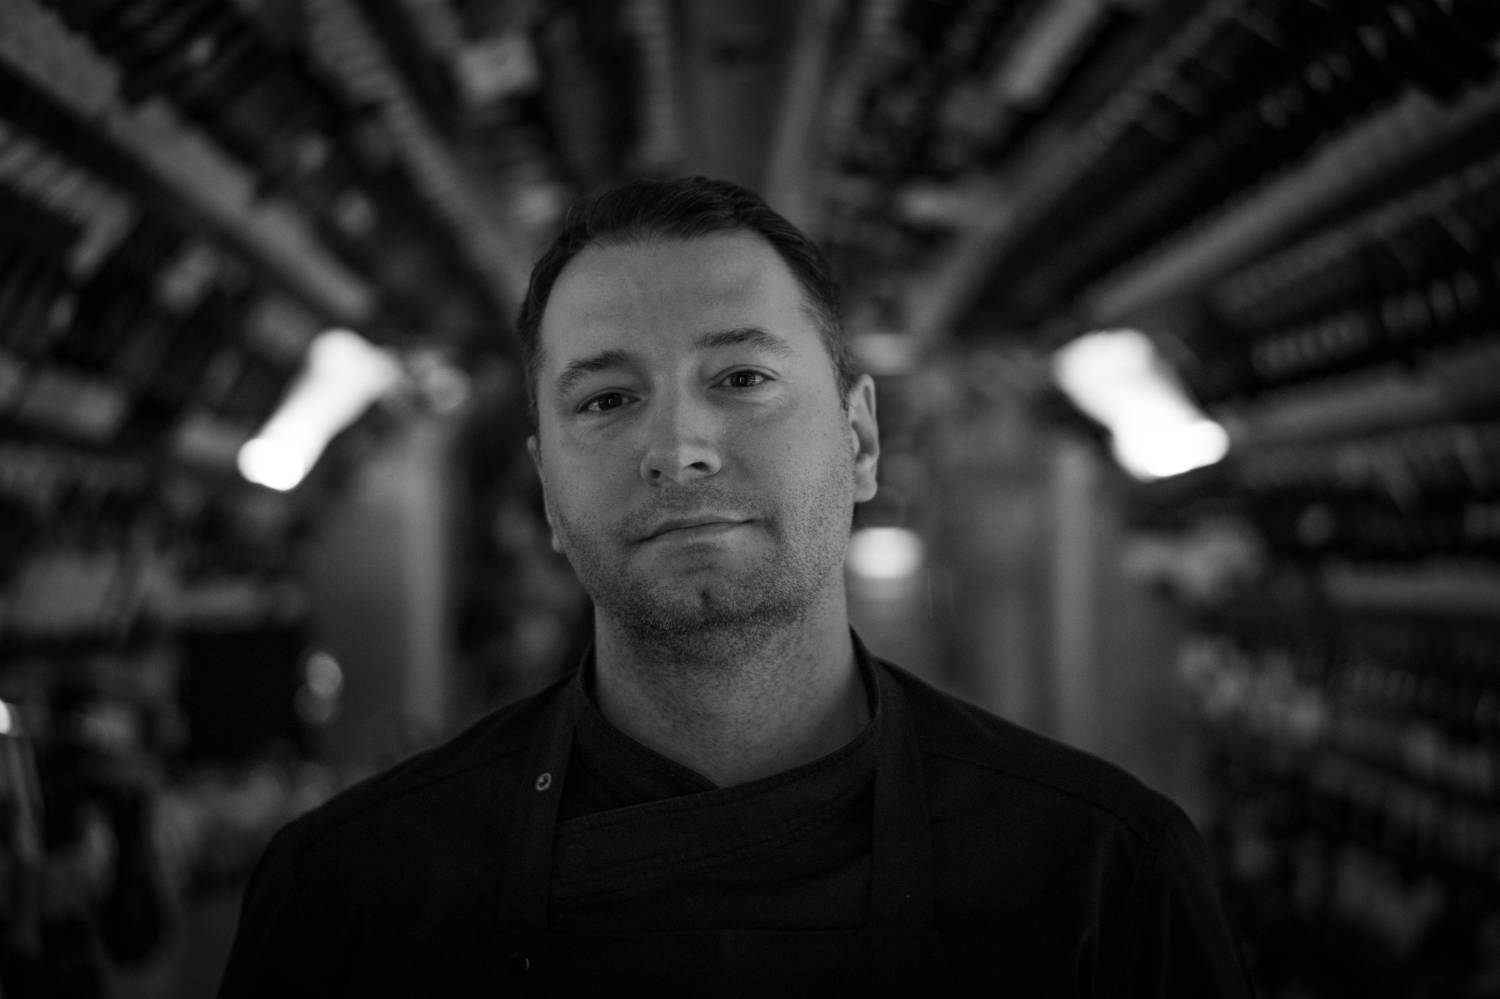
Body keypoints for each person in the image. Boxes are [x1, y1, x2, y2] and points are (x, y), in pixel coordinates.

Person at [217, 176, 1254, 997]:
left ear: (859, 439)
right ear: (546, 491)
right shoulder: (351, 897)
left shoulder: (1108, 879)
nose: (678, 448)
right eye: (606, 398)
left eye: (742, 379)